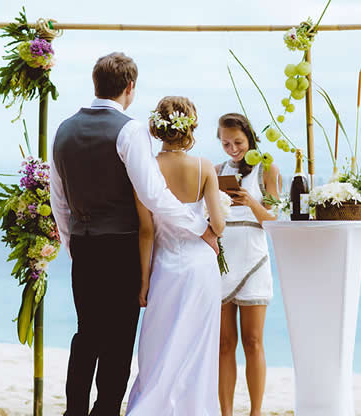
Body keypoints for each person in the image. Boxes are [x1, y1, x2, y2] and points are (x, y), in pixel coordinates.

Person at [50, 53, 219, 416]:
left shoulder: (63, 129)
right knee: (118, 338)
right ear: (129, 87)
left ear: (95, 84)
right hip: (122, 245)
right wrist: (198, 226)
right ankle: (106, 410)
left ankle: (74, 411)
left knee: (86, 334)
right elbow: (153, 194)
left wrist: (72, 244)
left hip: (84, 244)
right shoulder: (130, 130)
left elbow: (58, 197)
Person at [125, 96, 224, 415]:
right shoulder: (205, 166)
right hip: (200, 268)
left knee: (160, 344)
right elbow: (218, 226)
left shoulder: (147, 169)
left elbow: (146, 230)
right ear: (190, 126)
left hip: (165, 268)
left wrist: (143, 280)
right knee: (197, 345)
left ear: (158, 128)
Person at [214, 113, 280, 416]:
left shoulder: (267, 169)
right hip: (224, 260)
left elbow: (273, 220)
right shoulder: (216, 171)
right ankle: (226, 412)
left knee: (253, 341)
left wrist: (250, 202)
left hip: (254, 258)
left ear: (250, 138)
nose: (232, 148)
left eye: (238, 142)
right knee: (225, 344)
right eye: (226, 143)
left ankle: (255, 412)